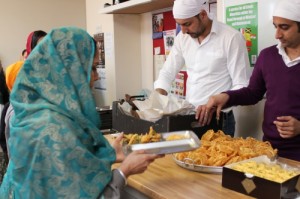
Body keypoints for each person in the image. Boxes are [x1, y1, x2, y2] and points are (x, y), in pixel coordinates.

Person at [0, 27, 163, 198]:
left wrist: (107, 155)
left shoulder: (41, 110)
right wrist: (125, 171)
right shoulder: (53, 127)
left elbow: (71, 169)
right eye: (92, 68)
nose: (96, 76)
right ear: (69, 70)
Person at [200, 0, 300, 161]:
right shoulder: (267, 56)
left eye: (285, 27)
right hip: (269, 151)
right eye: (276, 26)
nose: (277, 35)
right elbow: (253, 93)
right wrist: (226, 97)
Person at [154, 0, 250, 137]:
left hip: (219, 119)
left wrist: (216, 102)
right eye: (180, 25)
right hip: (189, 117)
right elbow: (167, 72)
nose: (184, 30)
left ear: (203, 14)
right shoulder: (182, 38)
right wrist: (158, 96)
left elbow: (242, 84)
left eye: (187, 24)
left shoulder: (231, 38)